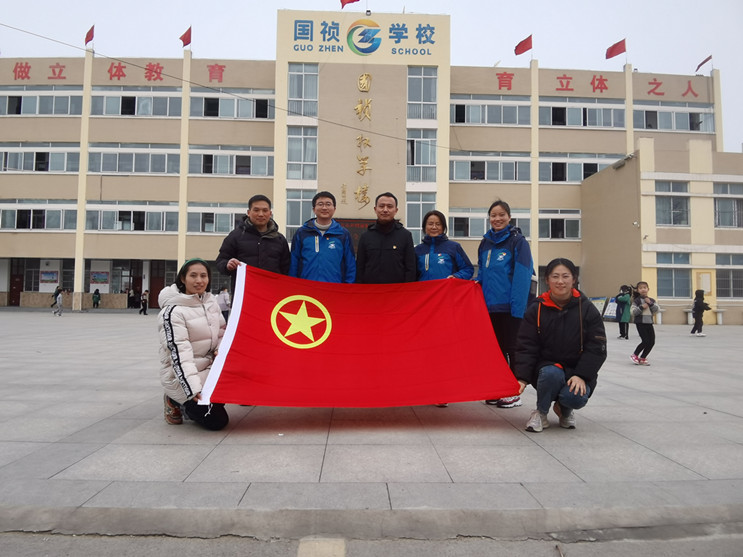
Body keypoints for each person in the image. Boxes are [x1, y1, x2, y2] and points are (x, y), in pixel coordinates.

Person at [514, 258, 607, 432]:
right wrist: (522, 377)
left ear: (574, 279)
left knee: (576, 397)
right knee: (551, 373)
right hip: (546, 369)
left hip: (576, 369)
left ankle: (564, 409)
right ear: (547, 280)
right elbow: (526, 344)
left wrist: (581, 375)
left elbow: (597, 347)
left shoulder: (587, 309)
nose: (560, 281)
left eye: (565, 276)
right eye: (555, 276)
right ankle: (541, 413)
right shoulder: (537, 308)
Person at [157, 258, 228, 431]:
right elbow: (179, 355)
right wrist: (192, 388)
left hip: (208, 371)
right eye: (193, 275)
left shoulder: (211, 303)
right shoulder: (173, 312)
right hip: (182, 377)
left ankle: (207, 399)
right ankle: (174, 400)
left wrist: (219, 348)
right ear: (183, 278)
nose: (199, 280)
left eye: (203, 276)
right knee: (217, 421)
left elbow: (222, 332)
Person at [476, 199, 534, 408]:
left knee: (513, 349)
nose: (497, 219)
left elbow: (523, 276)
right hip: (490, 307)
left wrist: (517, 308)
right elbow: (481, 275)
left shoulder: (518, 242)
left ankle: (513, 391)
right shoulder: (485, 244)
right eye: (493, 215)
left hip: (510, 308)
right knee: (495, 350)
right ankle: (498, 388)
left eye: (501, 215)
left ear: (509, 217)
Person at [216, 194, 290, 296]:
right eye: (256, 210)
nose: (261, 214)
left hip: (272, 295)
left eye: (265, 210)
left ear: (270, 213)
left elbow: (286, 269)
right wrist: (227, 265)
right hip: (244, 294)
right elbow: (220, 261)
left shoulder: (280, 239)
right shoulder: (236, 236)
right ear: (248, 212)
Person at [289, 191, 356, 283]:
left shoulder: (343, 234)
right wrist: (294, 285)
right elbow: (294, 262)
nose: (324, 208)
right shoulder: (302, 233)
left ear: (334, 209)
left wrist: (348, 286)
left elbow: (350, 264)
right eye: (320, 204)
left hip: (334, 287)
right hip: (307, 287)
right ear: (314, 209)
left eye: (328, 204)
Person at [356, 192, 416, 284]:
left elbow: (410, 269)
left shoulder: (405, 236)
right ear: (375, 209)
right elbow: (360, 268)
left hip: (397, 290)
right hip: (371, 290)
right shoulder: (366, 236)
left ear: (396, 210)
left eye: (389, 206)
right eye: (381, 206)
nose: (385, 210)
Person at [415, 210, 474, 282]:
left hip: (447, 289)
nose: (434, 227)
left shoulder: (454, 247)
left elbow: (468, 269)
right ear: (424, 227)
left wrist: (456, 276)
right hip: (425, 289)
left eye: (438, 224)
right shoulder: (417, 250)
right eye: (430, 224)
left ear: (443, 227)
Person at [630, 281, 659, 365]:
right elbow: (633, 312)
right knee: (645, 340)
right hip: (640, 323)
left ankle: (643, 357)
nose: (643, 289)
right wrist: (641, 307)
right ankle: (635, 355)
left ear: (648, 289)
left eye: (645, 288)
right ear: (638, 290)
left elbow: (656, 310)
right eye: (641, 288)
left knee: (652, 342)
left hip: (649, 323)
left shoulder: (652, 300)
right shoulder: (637, 301)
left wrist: (650, 303)